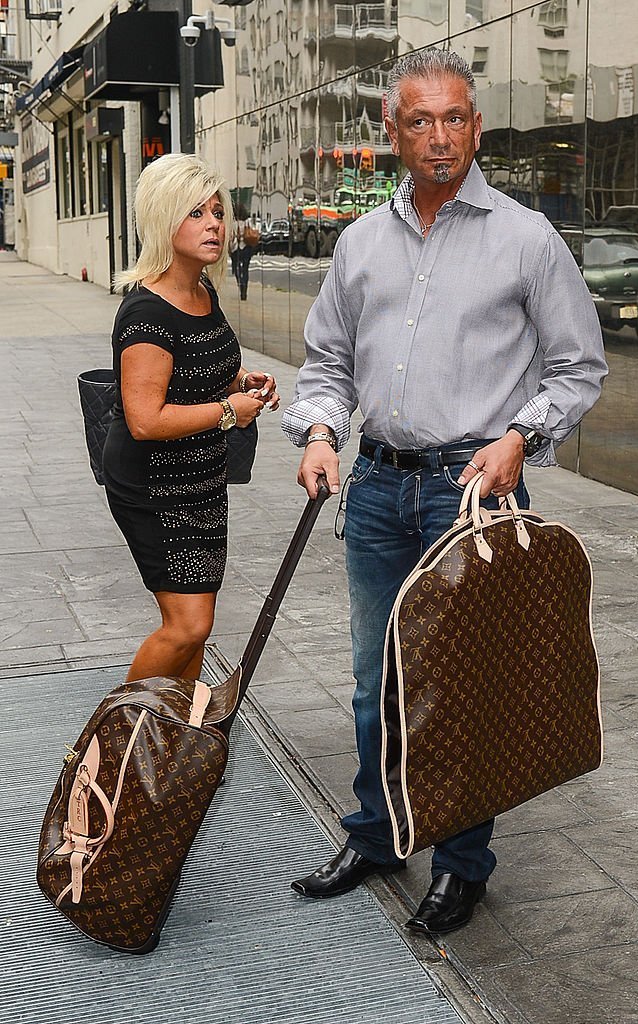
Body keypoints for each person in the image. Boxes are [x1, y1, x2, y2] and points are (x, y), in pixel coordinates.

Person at [282, 48, 607, 935]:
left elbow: (579, 369)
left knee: (466, 688)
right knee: (373, 680)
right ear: (391, 132)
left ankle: (463, 865)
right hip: (379, 491)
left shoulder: (526, 238)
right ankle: (381, 831)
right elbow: (327, 364)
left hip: (475, 491)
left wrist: (519, 438)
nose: (439, 136)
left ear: (475, 127)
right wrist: (317, 430)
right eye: (419, 120)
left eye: (455, 118)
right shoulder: (359, 243)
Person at [102, 153, 279, 684]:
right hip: (154, 487)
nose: (214, 225)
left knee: (197, 625)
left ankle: (176, 735)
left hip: (202, 480)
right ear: (162, 219)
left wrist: (239, 381)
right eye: (195, 213)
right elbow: (146, 420)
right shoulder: (146, 313)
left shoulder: (203, 291)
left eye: (218, 212)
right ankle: (115, 748)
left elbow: (200, 368)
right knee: (186, 625)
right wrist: (230, 411)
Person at [229, 203, 259, 300]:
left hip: (236, 249)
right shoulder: (247, 222)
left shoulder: (232, 224)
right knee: (245, 269)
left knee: (237, 269)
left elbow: (230, 238)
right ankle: (244, 290)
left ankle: (240, 284)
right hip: (246, 248)